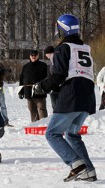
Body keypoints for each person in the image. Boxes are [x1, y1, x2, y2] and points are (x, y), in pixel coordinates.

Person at [33, 14, 97, 182]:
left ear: (61, 29)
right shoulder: (85, 48)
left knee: (52, 133)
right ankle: (88, 171)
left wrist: (42, 86)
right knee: (72, 134)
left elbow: (59, 74)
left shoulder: (63, 48)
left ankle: (77, 165)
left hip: (72, 95)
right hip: (87, 97)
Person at [18, 50, 48, 122]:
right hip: (28, 91)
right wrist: (21, 91)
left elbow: (46, 78)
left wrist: (44, 87)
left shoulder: (43, 65)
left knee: (41, 109)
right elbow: (22, 79)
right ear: (30, 56)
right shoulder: (25, 66)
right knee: (32, 110)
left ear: (38, 56)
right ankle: (34, 125)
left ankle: (44, 124)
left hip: (39, 91)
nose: (33, 57)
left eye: (35, 55)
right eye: (32, 55)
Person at [44, 46, 59, 110]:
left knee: (57, 108)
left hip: (56, 88)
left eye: (46, 54)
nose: (46, 56)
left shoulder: (55, 61)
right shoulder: (53, 61)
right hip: (54, 88)